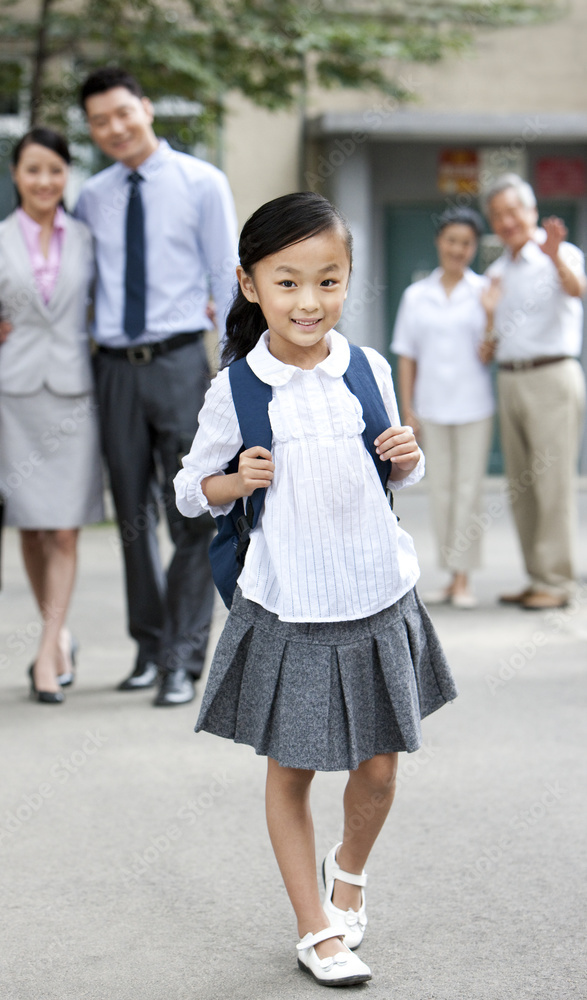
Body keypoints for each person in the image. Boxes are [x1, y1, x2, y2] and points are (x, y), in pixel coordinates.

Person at [174, 193, 458, 987]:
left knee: (378, 767)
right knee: (292, 771)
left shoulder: (364, 367)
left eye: (328, 282)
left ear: (348, 281)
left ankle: (350, 876)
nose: (309, 301)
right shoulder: (237, 389)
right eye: (288, 281)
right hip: (291, 607)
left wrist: (406, 455)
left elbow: (400, 471)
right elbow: (187, 492)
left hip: (376, 596)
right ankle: (315, 929)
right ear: (250, 284)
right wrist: (233, 479)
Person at [74, 67, 239, 705]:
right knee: (131, 518)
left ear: (146, 107)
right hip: (113, 366)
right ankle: (147, 648)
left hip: (178, 364)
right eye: (99, 122)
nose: (114, 128)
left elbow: (227, 283)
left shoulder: (202, 183)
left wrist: (235, 374)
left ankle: (182, 656)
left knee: (191, 510)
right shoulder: (92, 195)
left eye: (123, 113)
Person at [0, 127, 104, 704]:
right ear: (16, 175)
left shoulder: (88, 239)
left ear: (67, 176)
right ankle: (58, 632)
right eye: (33, 170)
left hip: (75, 398)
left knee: (65, 527)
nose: (45, 181)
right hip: (12, 399)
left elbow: (114, 306)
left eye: (55, 170)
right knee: (31, 523)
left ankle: (48, 651)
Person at [483, 174, 586, 610]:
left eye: (514, 211)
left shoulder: (560, 253)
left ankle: (559, 582)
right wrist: (488, 320)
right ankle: (536, 576)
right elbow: (488, 342)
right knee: (521, 484)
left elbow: (578, 290)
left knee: (552, 481)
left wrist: (554, 258)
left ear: (531, 211)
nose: (507, 222)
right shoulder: (496, 271)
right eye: (499, 215)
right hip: (509, 378)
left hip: (552, 376)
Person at [391, 207, 496, 609]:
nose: (458, 249)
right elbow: (406, 356)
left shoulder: (485, 291)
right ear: (440, 242)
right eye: (452, 240)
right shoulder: (417, 295)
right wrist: (408, 409)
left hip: (473, 408)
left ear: (474, 248)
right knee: (442, 493)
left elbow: (489, 353)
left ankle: (464, 578)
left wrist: (489, 316)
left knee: (468, 492)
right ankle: (450, 576)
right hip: (431, 408)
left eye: (466, 243)